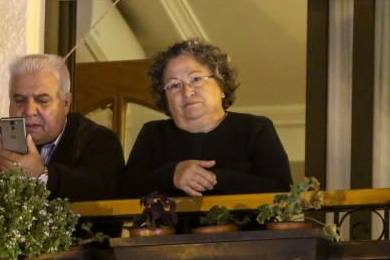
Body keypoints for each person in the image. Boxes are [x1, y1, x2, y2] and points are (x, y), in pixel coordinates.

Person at [0, 54, 124, 202]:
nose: (29, 110)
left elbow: (107, 193)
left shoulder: (98, 140)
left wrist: (42, 175)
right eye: (19, 100)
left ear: (66, 103)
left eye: (42, 100)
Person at [119, 39, 292, 198]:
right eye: (174, 85)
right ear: (164, 98)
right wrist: (173, 174)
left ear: (221, 84)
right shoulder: (153, 134)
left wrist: (213, 178)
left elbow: (281, 190)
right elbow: (125, 193)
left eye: (196, 79)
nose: (187, 92)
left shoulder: (255, 128)